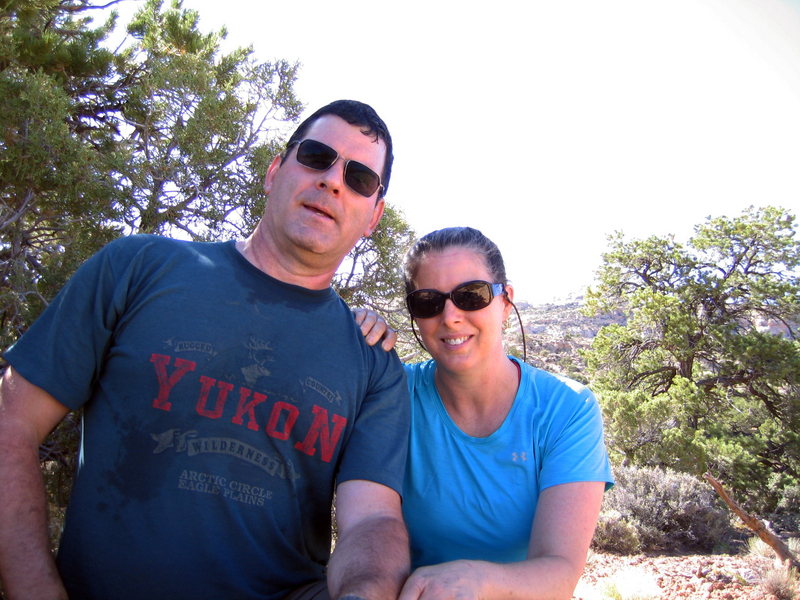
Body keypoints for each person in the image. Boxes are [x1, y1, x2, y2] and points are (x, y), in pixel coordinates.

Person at [0, 100, 411, 600]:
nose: (332, 182)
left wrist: (364, 593)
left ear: (373, 216)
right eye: (316, 156)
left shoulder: (374, 363)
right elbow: (12, 423)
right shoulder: (137, 268)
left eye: (360, 178)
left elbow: (371, 520)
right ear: (274, 171)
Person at [356, 226, 614, 600]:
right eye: (428, 302)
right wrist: (348, 331)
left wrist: (474, 581)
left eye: (471, 295)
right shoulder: (392, 396)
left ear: (505, 301)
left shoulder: (567, 409)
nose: (450, 317)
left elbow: (560, 571)